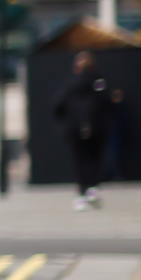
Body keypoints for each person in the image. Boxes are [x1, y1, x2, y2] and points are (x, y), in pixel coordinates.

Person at [52, 49, 120, 209]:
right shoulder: (100, 83)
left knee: (80, 161)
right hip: (94, 128)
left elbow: (57, 106)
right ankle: (91, 189)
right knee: (94, 159)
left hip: (77, 129)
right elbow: (111, 104)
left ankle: (84, 192)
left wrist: (65, 126)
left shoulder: (71, 84)